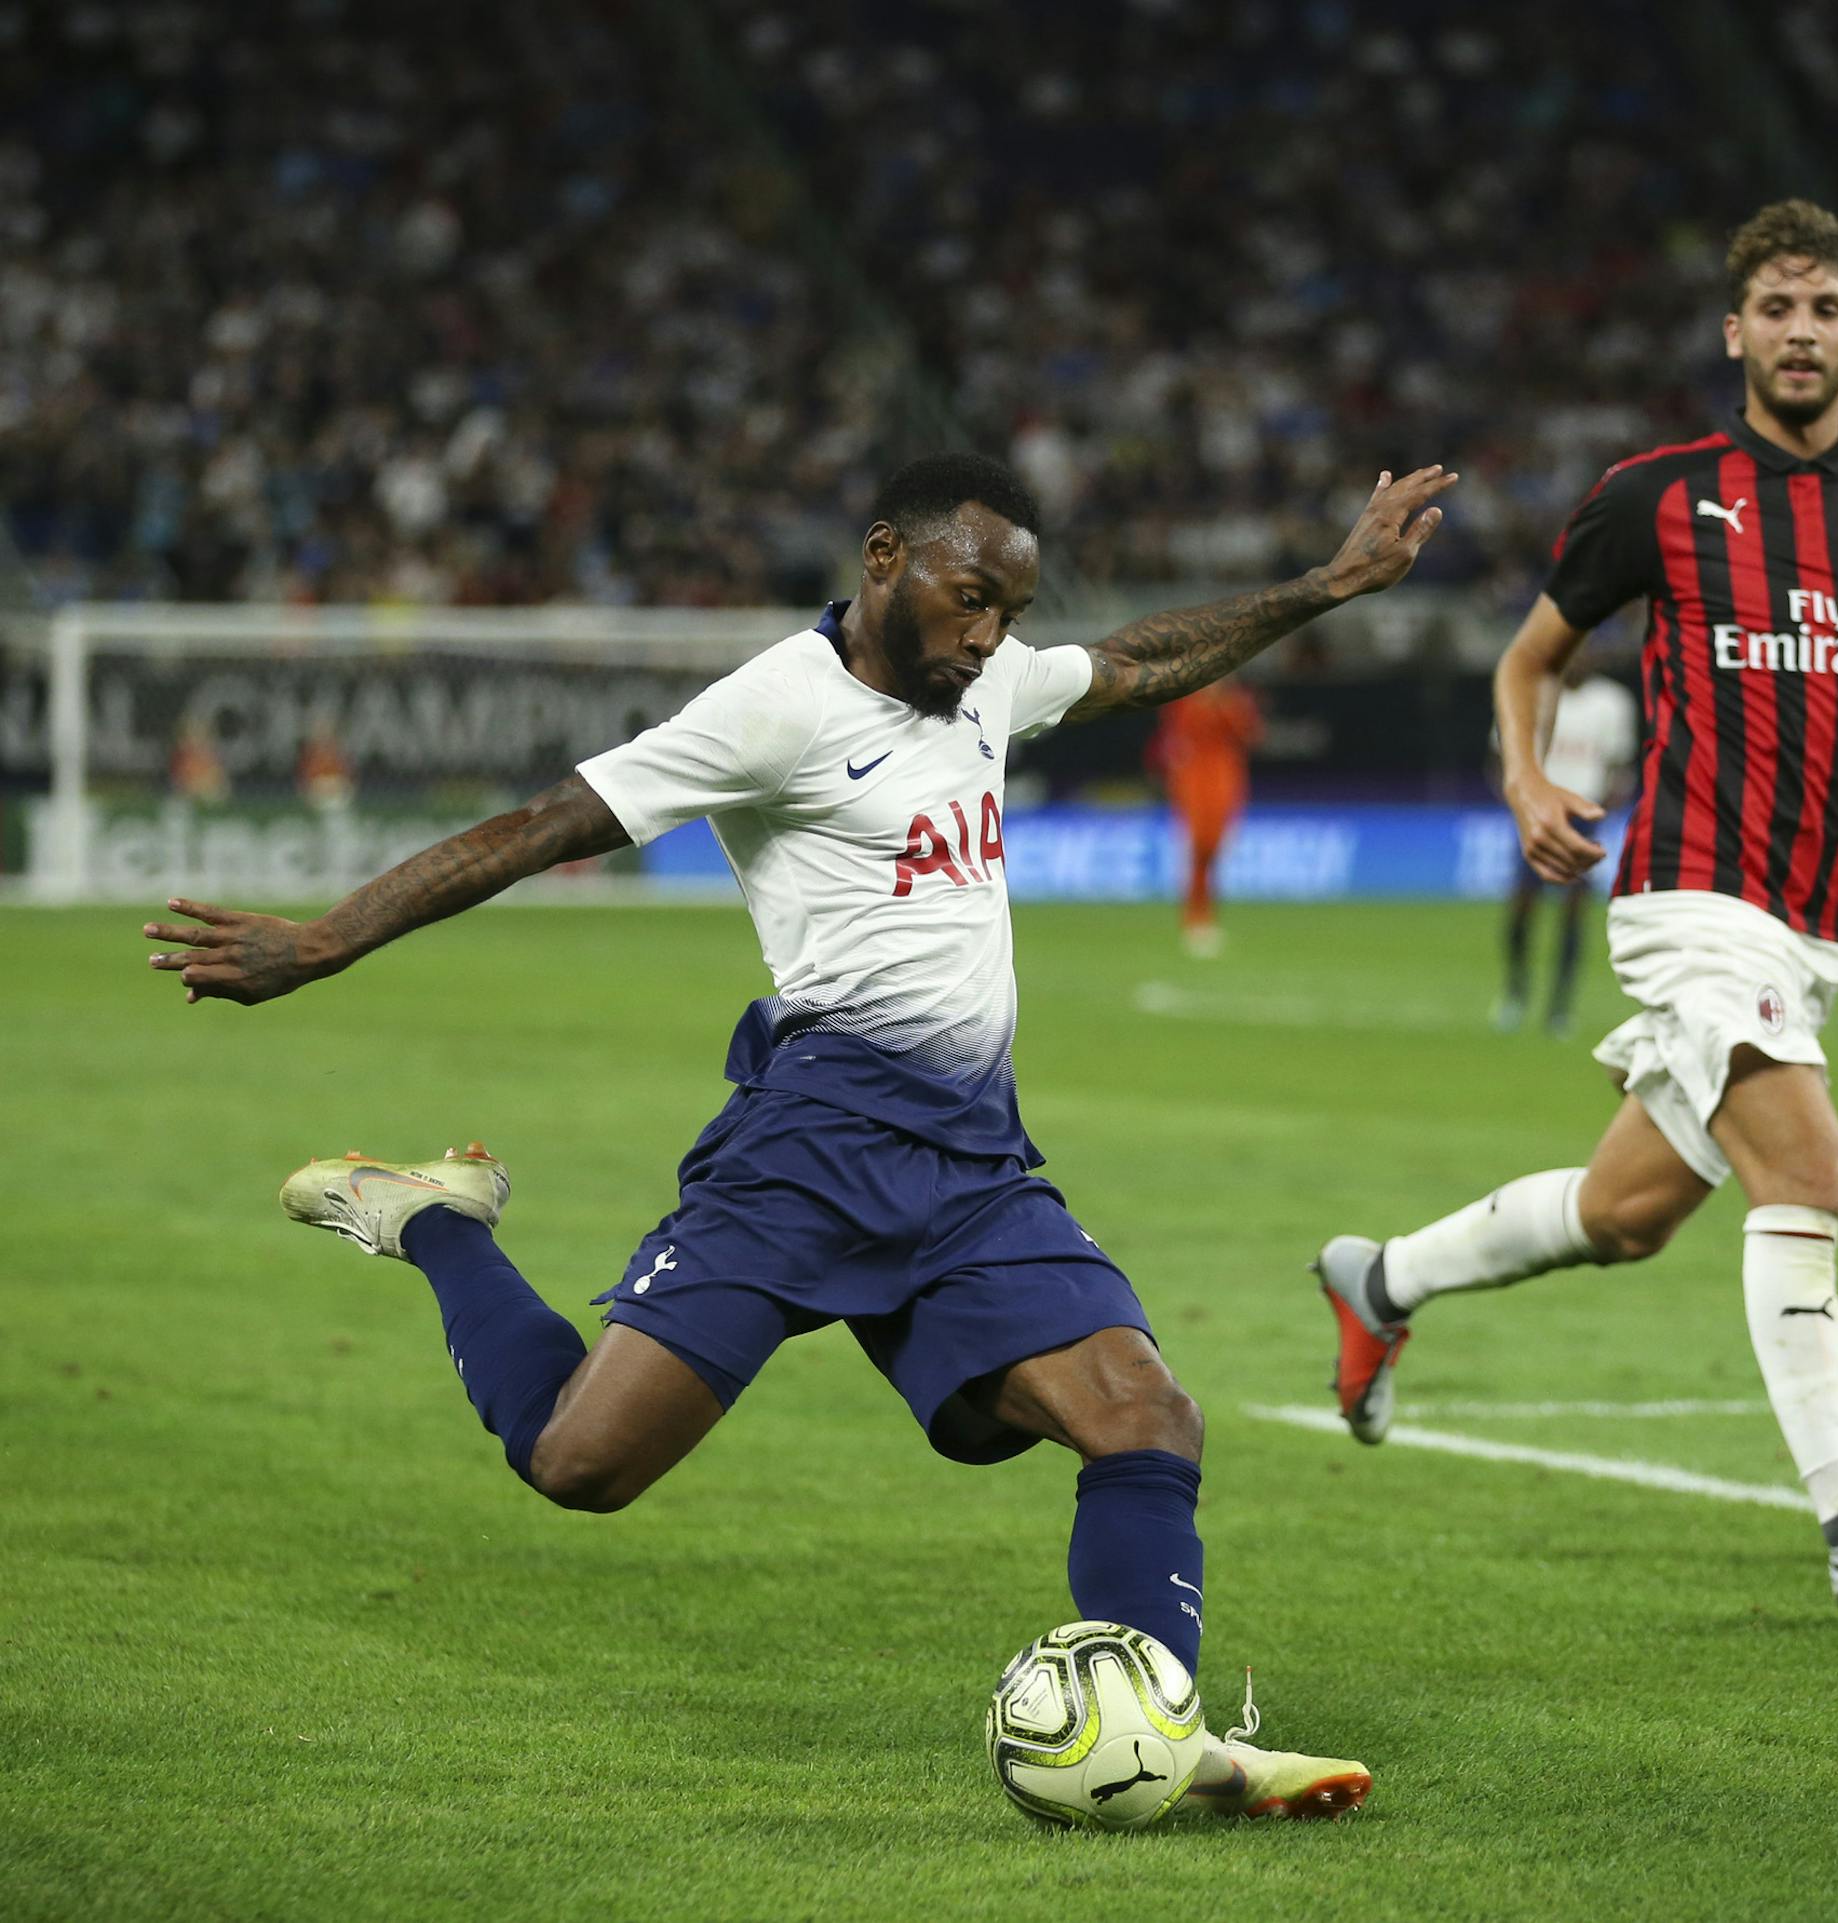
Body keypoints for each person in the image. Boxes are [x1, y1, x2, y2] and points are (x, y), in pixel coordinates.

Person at [145, 451, 1456, 1814]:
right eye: (967, 599)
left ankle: (1164, 1728)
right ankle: (432, 1218)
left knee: (1147, 1416)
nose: (989, 635)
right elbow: (542, 826)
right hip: (810, 1148)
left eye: (1009, 609)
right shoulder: (774, 706)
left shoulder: (989, 680)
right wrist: (324, 940)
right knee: (578, 1463)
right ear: (886, 555)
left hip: (970, 1160)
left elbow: (1137, 661)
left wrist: (1327, 583)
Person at [1317, 201, 1838, 1620]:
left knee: (1623, 1213)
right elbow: (1531, 661)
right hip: (1690, 895)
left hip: (1812, 926)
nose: (1800, 332)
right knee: (1808, 1177)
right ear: (1734, 332)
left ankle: (1380, 1279)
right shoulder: (1662, 497)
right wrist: (1523, 780)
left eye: (1825, 309)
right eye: (1777, 309)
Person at [1491, 655, 1636, 1036]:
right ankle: (1515, 993)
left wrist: (1603, 805)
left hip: (1583, 816)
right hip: (1537, 813)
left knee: (1573, 911)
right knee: (1523, 905)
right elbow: (1500, 753)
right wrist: (1518, 797)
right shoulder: (1531, 692)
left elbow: (1620, 766)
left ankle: (1559, 1007)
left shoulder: (1612, 702)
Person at [1150, 678, 1264, 956]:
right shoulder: (1184, 701)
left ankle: (1204, 914)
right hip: (1193, 779)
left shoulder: (1234, 702)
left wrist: (1224, 708)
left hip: (1225, 777)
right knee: (1199, 845)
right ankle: (1197, 917)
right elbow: (1171, 736)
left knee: (1214, 846)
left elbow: (1251, 735)